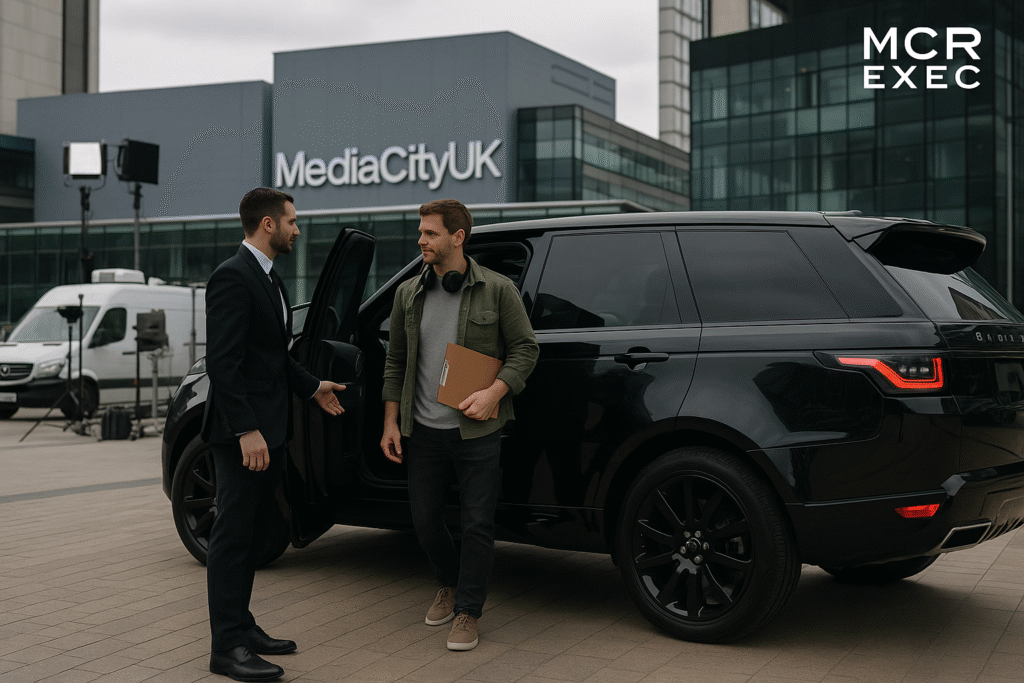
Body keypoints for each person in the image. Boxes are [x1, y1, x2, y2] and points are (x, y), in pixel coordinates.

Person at [380, 198, 538, 651]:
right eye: (421, 231)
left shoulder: (497, 289)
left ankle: (468, 610)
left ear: (458, 237)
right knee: (424, 520)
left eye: (430, 233)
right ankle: (447, 583)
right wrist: (391, 423)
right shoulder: (407, 294)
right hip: (423, 429)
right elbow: (395, 361)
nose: (421, 240)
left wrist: (494, 392)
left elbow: (526, 349)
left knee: (476, 524)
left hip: (477, 431)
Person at [202, 187, 345, 682]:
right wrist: (246, 430)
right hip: (244, 435)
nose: (297, 229)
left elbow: (271, 356)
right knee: (233, 538)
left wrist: (312, 387)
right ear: (268, 225)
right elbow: (222, 364)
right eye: (292, 221)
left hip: (270, 429)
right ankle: (226, 648)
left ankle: (243, 627)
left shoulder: (267, 277)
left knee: (254, 533)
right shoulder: (232, 277)